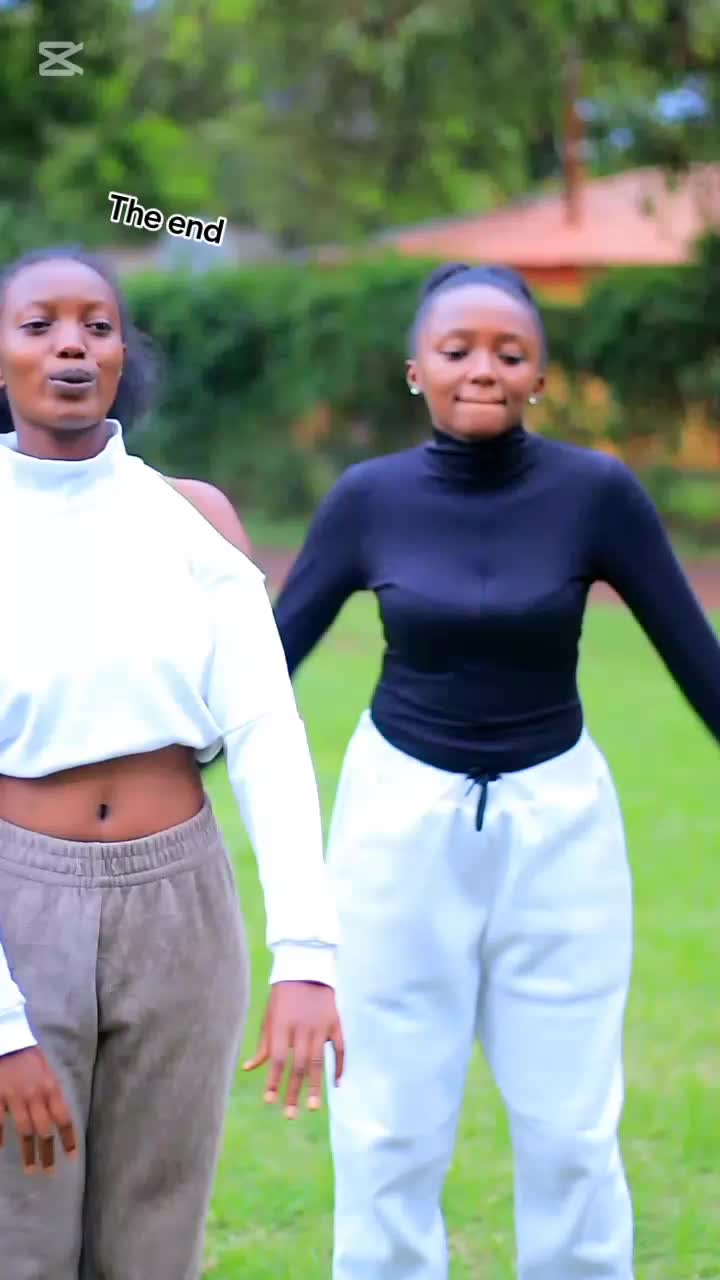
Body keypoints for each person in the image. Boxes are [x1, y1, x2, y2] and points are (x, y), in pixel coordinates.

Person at [273, 262, 720, 1280]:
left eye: (509, 353)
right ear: (415, 369)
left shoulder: (596, 494)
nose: (484, 368)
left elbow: (699, 661)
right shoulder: (367, 499)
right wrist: (156, 761)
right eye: (458, 349)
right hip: (396, 825)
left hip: (560, 826)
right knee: (386, 1124)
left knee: (571, 1132)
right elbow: (267, 663)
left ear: (540, 378)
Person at [0, 245, 343, 1280]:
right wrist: (4, 1024)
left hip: (180, 909)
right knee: (21, 1238)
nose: (71, 344)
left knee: (154, 1244)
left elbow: (268, 735)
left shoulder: (192, 519)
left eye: (97, 325)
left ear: (123, 354)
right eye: (39, 324)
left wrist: (307, 956)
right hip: (20, 906)